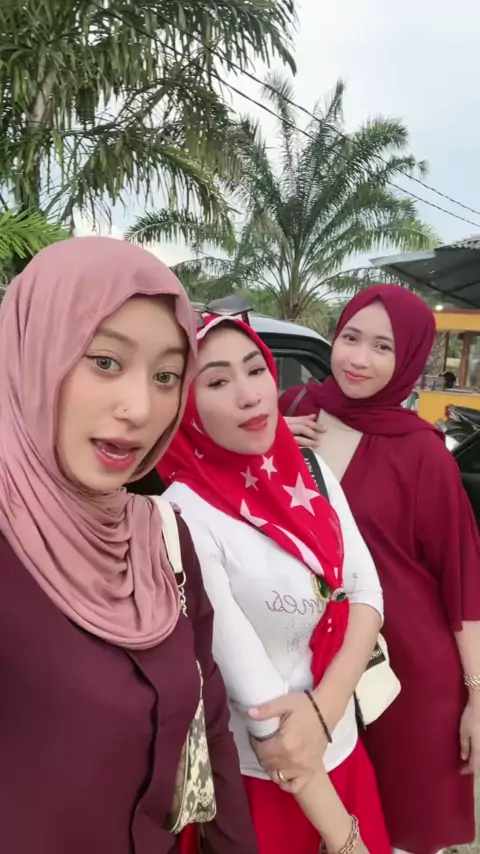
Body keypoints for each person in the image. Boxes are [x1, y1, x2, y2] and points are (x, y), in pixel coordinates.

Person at [0, 237, 258, 854]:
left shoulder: (161, 536)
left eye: (167, 376)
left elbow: (211, 724)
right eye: (105, 362)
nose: (141, 409)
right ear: (33, 353)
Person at [159, 314, 390, 854]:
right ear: (185, 405)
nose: (249, 395)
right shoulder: (182, 516)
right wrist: (346, 840)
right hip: (265, 783)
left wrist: (325, 708)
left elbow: (366, 593)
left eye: (256, 369)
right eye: (218, 381)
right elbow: (264, 713)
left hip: (341, 749)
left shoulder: (308, 468)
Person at [279, 284, 480, 854]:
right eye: (350, 337)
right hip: (298, 659)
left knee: (396, 833)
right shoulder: (290, 410)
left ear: (410, 358)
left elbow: (461, 578)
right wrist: (266, 442)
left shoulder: (424, 453)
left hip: (405, 676)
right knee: (300, 821)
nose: (359, 359)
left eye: (383, 347)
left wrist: (476, 694)